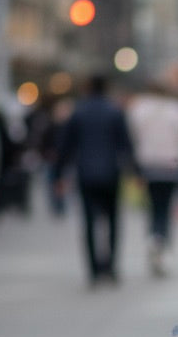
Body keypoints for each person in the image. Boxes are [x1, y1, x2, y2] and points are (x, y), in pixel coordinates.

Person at [54, 74, 134, 285]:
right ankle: (111, 266)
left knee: (89, 223)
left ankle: (93, 269)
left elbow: (65, 147)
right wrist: (135, 172)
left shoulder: (78, 112)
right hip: (111, 173)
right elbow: (125, 144)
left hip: (86, 173)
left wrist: (58, 174)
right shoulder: (115, 111)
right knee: (113, 222)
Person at [126, 80, 178, 276]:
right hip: (171, 164)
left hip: (147, 164)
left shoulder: (139, 109)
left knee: (153, 205)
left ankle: (154, 237)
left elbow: (132, 137)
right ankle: (162, 241)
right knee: (165, 207)